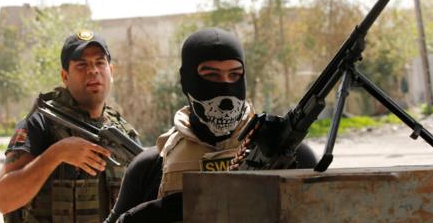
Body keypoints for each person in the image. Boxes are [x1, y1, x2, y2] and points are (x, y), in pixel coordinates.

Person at [105, 27, 317, 222]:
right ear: (186, 81)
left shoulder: (293, 157)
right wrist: (159, 211)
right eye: (211, 75)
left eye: (234, 75)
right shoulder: (149, 166)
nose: (225, 86)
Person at [0, 29, 142, 223]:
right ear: (65, 76)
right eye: (82, 65)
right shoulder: (41, 122)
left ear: (111, 71)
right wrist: (57, 154)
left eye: (100, 62)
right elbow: (4, 199)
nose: (93, 70)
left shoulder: (124, 135)